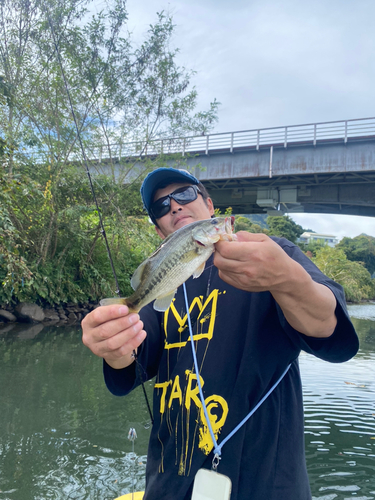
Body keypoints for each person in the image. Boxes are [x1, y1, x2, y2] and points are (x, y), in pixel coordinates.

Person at [81, 167, 359, 500]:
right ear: (159, 231)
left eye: (184, 194)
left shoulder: (272, 255)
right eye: (161, 206)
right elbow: (131, 361)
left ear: (210, 206)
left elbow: (330, 329)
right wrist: (113, 347)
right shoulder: (163, 284)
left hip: (264, 488)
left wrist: (287, 279)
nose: (174, 206)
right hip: (168, 487)